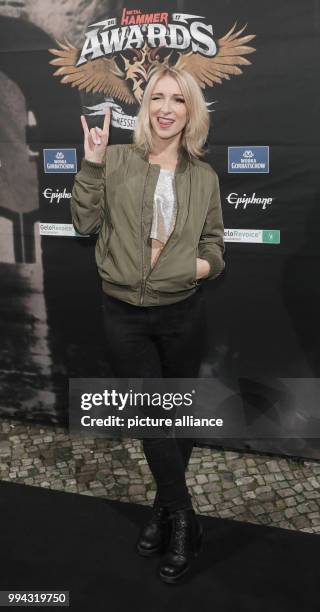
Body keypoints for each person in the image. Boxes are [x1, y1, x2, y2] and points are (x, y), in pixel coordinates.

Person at [70, 64, 225, 584]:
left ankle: (162, 509)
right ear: (145, 105)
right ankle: (185, 520)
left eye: (177, 100)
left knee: (176, 419)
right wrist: (91, 164)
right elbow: (84, 224)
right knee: (155, 419)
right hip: (124, 316)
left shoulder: (203, 176)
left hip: (183, 313)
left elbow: (215, 250)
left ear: (190, 111)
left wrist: (184, 267)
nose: (165, 108)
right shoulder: (115, 160)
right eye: (157, 97)